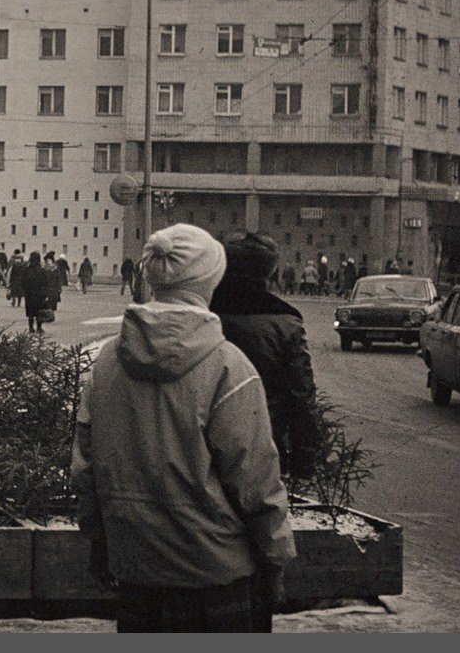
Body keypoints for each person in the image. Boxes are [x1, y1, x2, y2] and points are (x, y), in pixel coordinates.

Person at [71, 223, 294, 632]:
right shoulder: (229, 366)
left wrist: (100, 544)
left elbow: (87, 469)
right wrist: (275, 557)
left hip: (137, 568)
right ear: (210, 279)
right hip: (216, 573)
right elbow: (256, 480)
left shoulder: (105, 363)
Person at [210, 233, 320, 481]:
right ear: (270, 271)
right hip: (263, 445)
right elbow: (301, 396)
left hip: (198, 447)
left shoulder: (201, 311)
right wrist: (305, 459)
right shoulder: (285, 321)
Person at [21, 251, 52, 333]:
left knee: (30, 312)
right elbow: (46, 283)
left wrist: (25, 291)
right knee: (39, 311)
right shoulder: (42, 271)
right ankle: (39, 327)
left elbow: (23, 282)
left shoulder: (27, 270)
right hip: (40, 295)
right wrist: (46, 294)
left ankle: (31, 328)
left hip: (29, 295)